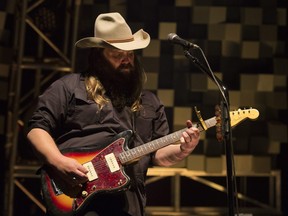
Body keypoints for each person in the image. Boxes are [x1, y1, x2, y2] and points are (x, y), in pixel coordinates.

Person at [27, 12, 200, 216]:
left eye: (130, 54)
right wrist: (58, 161)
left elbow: (157, 155)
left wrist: (182, 150)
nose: (126, 60)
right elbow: (37, 129)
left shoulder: (150, 103)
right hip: (76, 196)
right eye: (117, 55)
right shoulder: (69, 87)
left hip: (128, 206)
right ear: (98, 56)